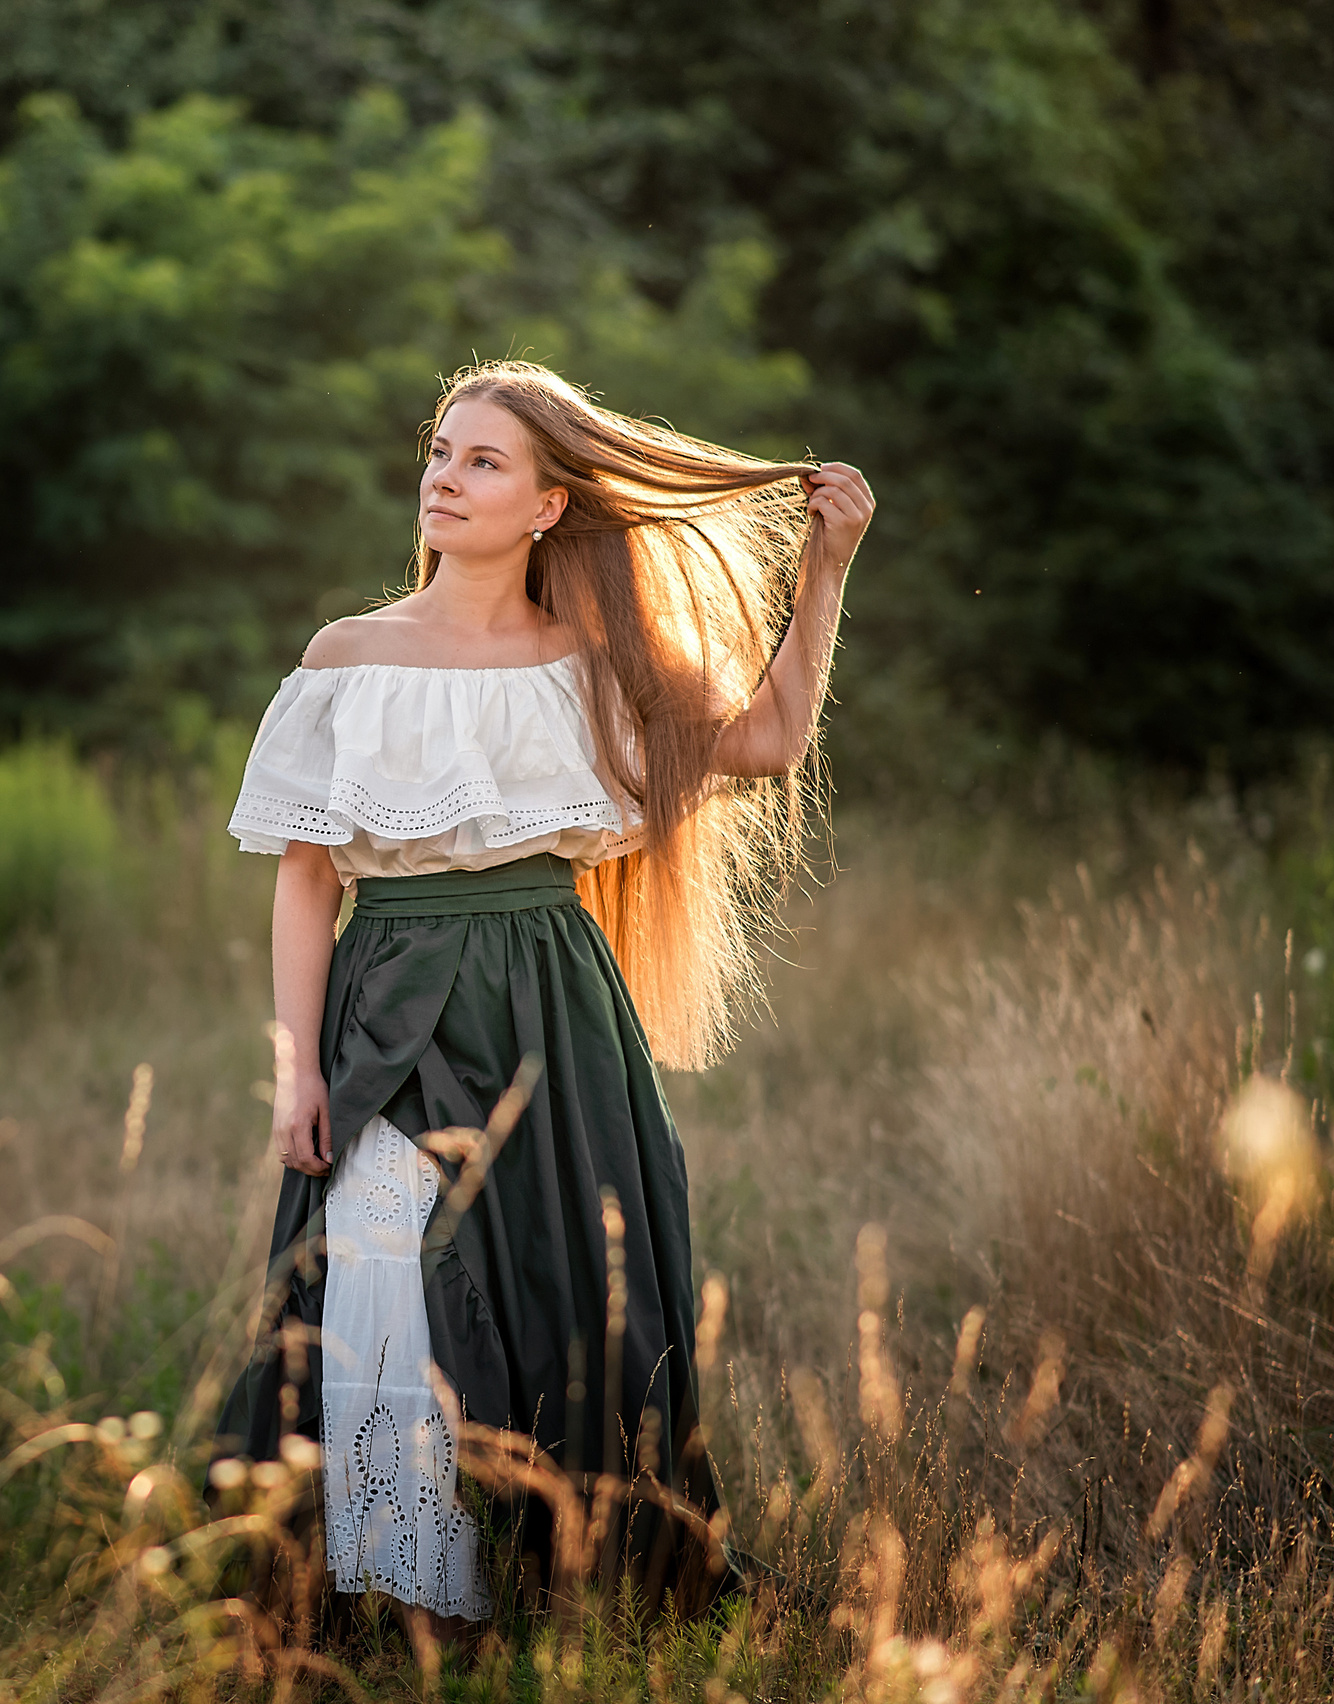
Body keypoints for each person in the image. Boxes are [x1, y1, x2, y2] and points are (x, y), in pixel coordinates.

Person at [215, 361, 875, 1639]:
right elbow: (305, 881)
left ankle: (547, 1584)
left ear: (548, 509)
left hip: (550, 1006)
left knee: (564, 1292)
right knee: (375, 1267)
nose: (442, 480)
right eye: (439, 453)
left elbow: (768, 744)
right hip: (388, 1001)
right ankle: (405, 1600)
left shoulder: (592, 666)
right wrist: (296, 1069)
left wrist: (827, 574)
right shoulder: (346, 657)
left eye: (481, 464)